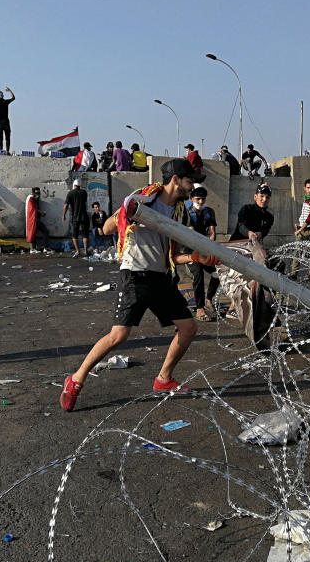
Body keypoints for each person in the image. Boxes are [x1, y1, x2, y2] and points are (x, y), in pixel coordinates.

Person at [59, 158, 215, 411]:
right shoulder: (144, 199)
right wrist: (129, 214)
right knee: (119, 335)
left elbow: (171, 256)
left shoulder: (178, 211)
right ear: (175, 179)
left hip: (161, 277)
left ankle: (163, 379)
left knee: (188, 328)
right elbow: (109, 227)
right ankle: (76, 379)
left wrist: (194, 257)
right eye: (189, 181)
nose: (192, 187)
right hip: (135, 275)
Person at [184, 186, 218, 321]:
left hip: (205, 248)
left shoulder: (209, 212)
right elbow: (191, 234)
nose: (200, 201)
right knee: (198, 274)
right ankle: (199, 308)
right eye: (197, 199)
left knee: (218, 271)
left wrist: (210, 244)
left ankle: (209, 299)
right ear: (191, 199)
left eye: (203, 199)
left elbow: (212, 232)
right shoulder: (186, 212)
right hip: (190, 251)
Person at [63, 178, 90, 257]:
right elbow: (84, 202)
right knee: (85, 234)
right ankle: (85, 250)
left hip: (75, 217)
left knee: (75, 235)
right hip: (84, 216)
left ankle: (77, 251)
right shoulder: (84, 192)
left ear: (73, 185)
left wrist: (63, 215)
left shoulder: (70, 193)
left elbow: (65, 206)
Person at [26, 187, 50, 253]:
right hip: (33, 219)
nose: (38, 194)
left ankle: (33, 248)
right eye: (36, 193)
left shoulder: (35, 199)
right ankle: (44, 247)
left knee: (34, 233)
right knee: (45, 231)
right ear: (33, 192)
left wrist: (40, 213)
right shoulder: (31, 198)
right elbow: (32, 209)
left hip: (35, 219)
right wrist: (41, 212)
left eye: (39, 193)